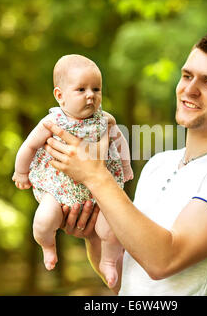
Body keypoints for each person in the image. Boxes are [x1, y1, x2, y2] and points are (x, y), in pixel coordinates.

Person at [43, 31, 207, 296]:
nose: (190, 89)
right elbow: (123, 281)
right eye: (187, 75)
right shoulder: (158, 165)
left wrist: (95, 176)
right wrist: (92, 234)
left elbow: (163, 260)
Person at [12, 54, 133, 289]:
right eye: (81, 89)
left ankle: (108, 261)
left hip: (98, 191)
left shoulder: (105, 120)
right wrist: (21, 172)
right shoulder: (52, 122)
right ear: (60, 96)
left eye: (96, 89)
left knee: (112, 226)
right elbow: (29, 145)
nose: (91, 95)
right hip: (58, 190)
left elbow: (120, 142)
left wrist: (126, 166)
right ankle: (48, 245)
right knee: (44, 220)